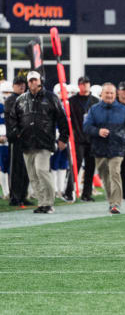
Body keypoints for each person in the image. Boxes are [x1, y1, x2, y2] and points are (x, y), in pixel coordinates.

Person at [11, 71, 69, 214]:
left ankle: (48, 203)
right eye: (29, 81)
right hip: (26, 142)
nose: (32, 83)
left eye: (34, 80)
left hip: (44, 142)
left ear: (40, 81)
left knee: (41, 171)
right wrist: (17, 133)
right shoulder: (21, 99)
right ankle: (42, 203)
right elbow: (13, 118)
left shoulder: (51, 98)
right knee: (32, 175)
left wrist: (63, 138)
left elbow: (62, 119)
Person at [84, 82, 125, 214]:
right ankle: (111, 200)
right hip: (99, 148)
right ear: (102, 94)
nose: (109, 95)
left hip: (117, 147)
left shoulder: (124, 110)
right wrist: (97, 131)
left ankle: (116, 203)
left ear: (115, 94)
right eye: (107, 93)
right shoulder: (94, 110)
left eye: (111, 93)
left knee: (115, 173)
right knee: (105, 176)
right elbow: (86, 127)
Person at [63, 76, 99, 202]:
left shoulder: (95, 101)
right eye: (82, 84)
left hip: (92, 139)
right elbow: (67, 120)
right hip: (77, 138)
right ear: (79, 85)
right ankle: (68, 191)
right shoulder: (72, 101)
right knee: (75, 166)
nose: (85, 86)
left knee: (90, 167)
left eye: (87, 83)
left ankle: (87, 193)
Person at [4, 76, 31, 207]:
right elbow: (12, 119)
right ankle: (14, 196)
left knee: (26, 168)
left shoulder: (27, 98)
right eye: (19, 84)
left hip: (27, 138)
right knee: (15, 168)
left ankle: (23, 195)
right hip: (16, 138)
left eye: (23, 84)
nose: (22, 86)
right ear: (13, 86)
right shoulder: (11, 100)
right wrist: (17, 133)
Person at [0, 81, 12, 199]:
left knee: (10, 166)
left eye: (9, 92)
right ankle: (5, 192)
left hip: (11, 138)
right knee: (2, 166)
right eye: (5, 92)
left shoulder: (13, 105)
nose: (7, 94)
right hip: (2, 140)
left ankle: (11, 191)